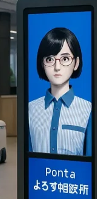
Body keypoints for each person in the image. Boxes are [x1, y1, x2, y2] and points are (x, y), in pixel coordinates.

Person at [28, 27, 92, 156]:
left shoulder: (88, 109)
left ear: (76, 63)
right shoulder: (30, 109)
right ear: (42, 64)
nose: (57, 67)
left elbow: (90, 161)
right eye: (50, 59)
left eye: (65, 59)